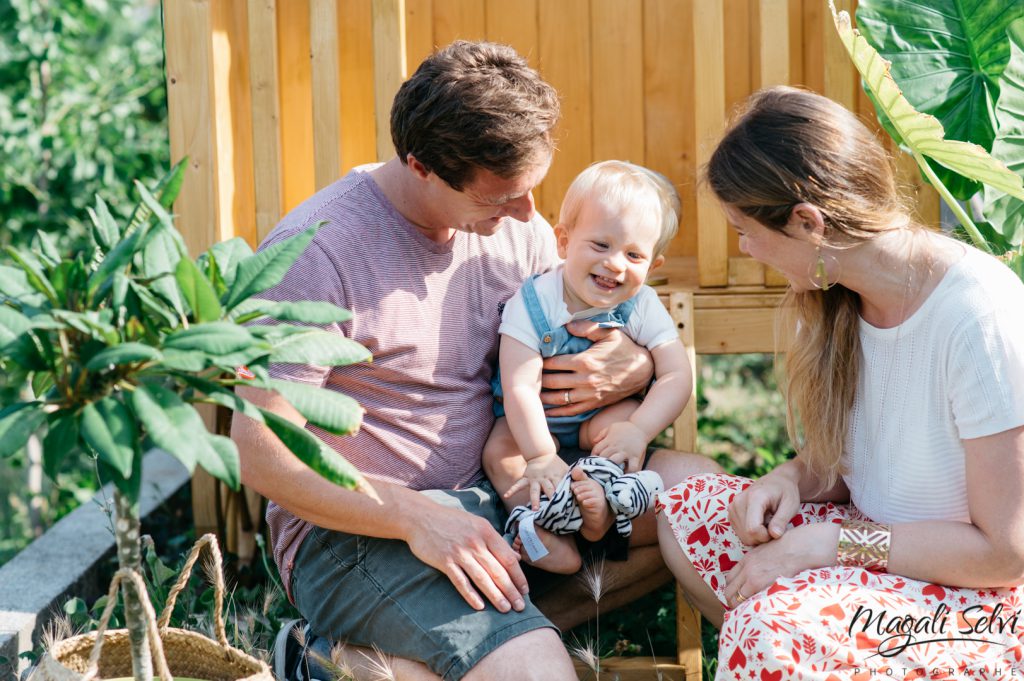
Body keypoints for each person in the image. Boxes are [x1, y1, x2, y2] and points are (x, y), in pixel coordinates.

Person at [231, 41, 719, 681]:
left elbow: (569, 336)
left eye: (531, 191)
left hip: (507, 496)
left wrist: (630, 364)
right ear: (421, 166)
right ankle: (342, 655)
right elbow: (258, 450)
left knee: (701, 500)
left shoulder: (517, 228)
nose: (528, 217)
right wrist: (415, 517)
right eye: (500, 200)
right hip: (362, 533)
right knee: (540, 677)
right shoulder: (314, 254)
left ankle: (463, 648)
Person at [657, 85, 1024, 680]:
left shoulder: (979, 317)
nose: (746, 250)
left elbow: (1006, 555)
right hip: (874, 554)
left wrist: (828, 545)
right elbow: (869, 459)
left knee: (768, 627)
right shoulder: (845, 301)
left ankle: (787, 648)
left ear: (808, 222)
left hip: (975, 598)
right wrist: (789, 478)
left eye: (746, 230)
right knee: (691, 512)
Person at [483, 160, 692, 575]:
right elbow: (519, 386)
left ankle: (603, 505)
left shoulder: (640, 304)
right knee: (500, 453)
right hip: (533, 422)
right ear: (563, 242)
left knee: (620, 427)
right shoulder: (534, 302)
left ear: (654, 266)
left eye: (634, 254)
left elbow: (676, 373)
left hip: (597, 419)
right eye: (601, 246)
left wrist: (638, 430)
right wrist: (540, 454)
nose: (616, 264)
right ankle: (539, 524)